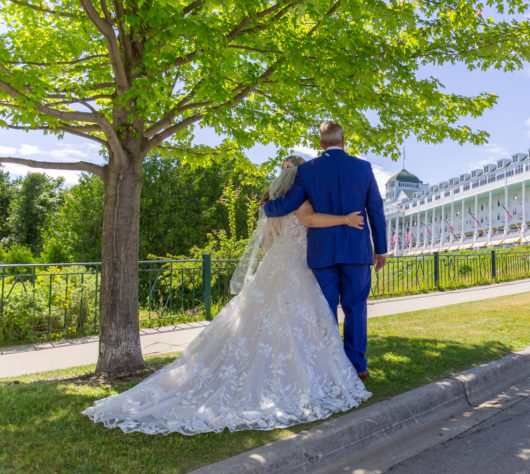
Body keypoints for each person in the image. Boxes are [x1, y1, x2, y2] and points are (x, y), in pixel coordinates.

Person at [82, 156, 371, 435]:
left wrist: (273, 266)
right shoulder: (304, 200)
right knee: (303, 323)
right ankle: (312, 378)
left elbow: (268, 243)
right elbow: (311, 223)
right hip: (298, 267)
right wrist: (344, 219)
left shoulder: (272, 203)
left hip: (275, 266)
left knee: (264, 323)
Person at [263, 121, 387, 381]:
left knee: (325, 310)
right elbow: (375, 209)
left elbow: (290, 203)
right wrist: (381, 250)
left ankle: (331, 366)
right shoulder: (363, 168)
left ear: (321, 144)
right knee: (356, 308)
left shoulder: (308, 170)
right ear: (344, 141)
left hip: (322, 253)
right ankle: (357, 367)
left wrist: (268, 208)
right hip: (357, 252)